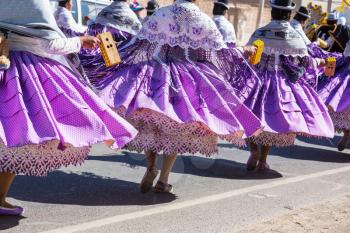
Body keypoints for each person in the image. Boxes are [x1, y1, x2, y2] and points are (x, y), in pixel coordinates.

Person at [96, 0, 262, 193]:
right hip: (188, 79)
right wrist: (244, 51)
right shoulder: (202, 19)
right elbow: (221, 53)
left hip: (155, 73)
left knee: (152, 123)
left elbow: (137, 44)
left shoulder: (161, 14)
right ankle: (164, 179)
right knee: (177, 129)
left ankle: (151, 166)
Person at [0, 0, 137, 216]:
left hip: (4, 61)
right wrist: (80, 42)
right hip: (25, 71)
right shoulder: (35, 3)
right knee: (19, 137)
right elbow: (50, 45)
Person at [244, 0, 334, 171]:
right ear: (288, 14)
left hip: (258, 80)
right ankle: (263, 160)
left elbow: (249, 55)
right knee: (272, 120)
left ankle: (253, 150)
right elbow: (305, 61)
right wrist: (323, 62)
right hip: (282, 84)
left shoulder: (261, 31)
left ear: (272, 12)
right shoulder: (293, 36)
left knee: (251, 114)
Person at [79, 0, 142, 80]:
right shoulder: (133, 19)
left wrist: (89, 21)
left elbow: (93, 32)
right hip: (114, 70)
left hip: (91, 67)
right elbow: (136, 42)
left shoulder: (103, 13)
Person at [318, 26, 350, 151]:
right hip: (345, 66)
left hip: (344, 66)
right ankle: (346, 134)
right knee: (342, 105)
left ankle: (346, 135)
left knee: (342, 105)